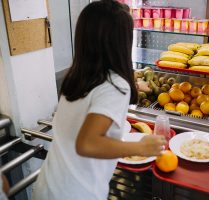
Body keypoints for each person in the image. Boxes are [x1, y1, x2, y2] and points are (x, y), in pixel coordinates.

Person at [32, 1, 166, 199]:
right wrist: (140, 147)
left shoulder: (78, 76)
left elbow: (98, 96)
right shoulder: (115, 85)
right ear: (120, 42)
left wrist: (135, 86)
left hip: (48, 186)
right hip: (78, 193)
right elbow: (87, 144)